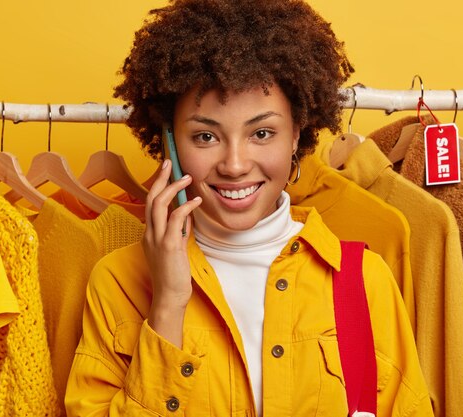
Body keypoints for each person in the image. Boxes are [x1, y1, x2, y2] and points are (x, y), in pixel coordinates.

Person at [65, 1, 434, 416]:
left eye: (262, 132)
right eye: (205, 137)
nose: (235, 164)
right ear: (169, 140)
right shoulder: (118, 282)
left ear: (297, 133)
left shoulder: (365, 283)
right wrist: (168, 303)